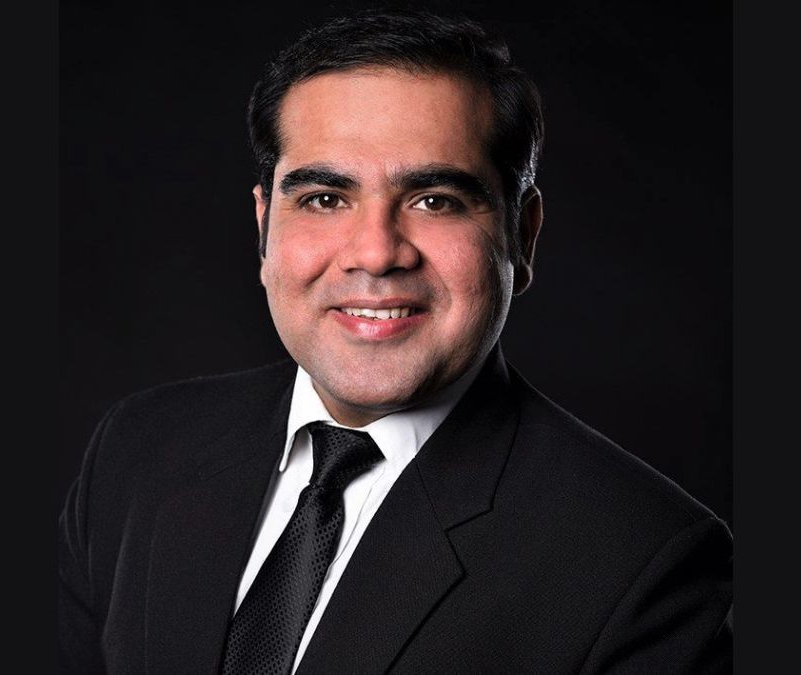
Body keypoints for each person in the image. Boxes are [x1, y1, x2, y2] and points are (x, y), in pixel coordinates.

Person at [59, 9, 731, 673]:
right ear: (264, 227)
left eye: (435, 199)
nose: (376, 254)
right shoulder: (139, 449)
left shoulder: (643, 562)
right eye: (325, 198)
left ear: (522, 237)